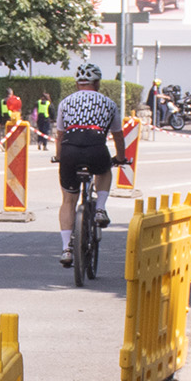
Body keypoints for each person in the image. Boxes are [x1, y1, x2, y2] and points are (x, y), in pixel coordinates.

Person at [53, 62, 123, 268]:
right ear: (98, 83)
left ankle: (67, 249)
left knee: (68, 200)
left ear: (77, 84)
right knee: (104, 170)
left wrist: (59, 156)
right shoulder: (109, 104)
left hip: (69, 150)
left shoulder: (65, 102)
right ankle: (100, 209)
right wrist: (120, 157)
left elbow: (59, 135)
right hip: (96, 148)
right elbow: (118, 136)